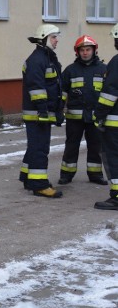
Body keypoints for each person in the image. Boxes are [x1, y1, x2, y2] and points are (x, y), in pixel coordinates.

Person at [19, 24, 64, 198]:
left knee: (35, 146)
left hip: (42, 112)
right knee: (40, 148)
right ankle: (39, 185)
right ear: (43, 38)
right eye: (53, 37)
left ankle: (27, 178)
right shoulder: (38, 60)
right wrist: (43, 111)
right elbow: (36, 88)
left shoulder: (46, 57)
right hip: (38, 114)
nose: (56, 40)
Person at [58, 35, 108, 186]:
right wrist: (59, 110)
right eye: (82, 50)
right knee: (71, 146)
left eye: (88, 49)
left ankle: (95, 174)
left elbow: (109, 93)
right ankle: (66, 174)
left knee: (96, 146)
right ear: (77, 52)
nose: (85, 53)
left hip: (95, 117)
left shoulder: (104, 70)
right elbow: (62, 93)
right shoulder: (70, 70)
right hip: (75, 118)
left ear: (94, 50)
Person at [93, 23, 118, 210]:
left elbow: (110, 93)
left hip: (114, 122)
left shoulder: (116, 62)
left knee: (113, 157)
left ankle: (116, 196)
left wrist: (98, 114)